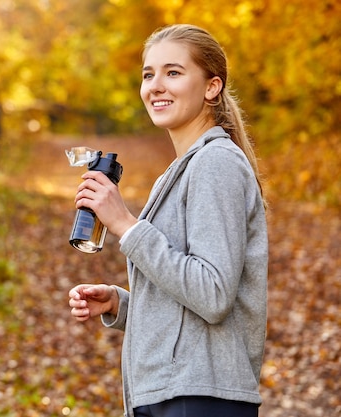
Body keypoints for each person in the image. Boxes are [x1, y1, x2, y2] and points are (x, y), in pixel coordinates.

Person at [68, 24, 268, 417]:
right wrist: (121, 304)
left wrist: (125, 224)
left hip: (198, 399)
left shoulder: (216, 164)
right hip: (175, 394)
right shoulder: (182, 170)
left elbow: (212, 295)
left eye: (173, 72)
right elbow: (187, 297)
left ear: (212, 87)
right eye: (148, 74)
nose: (155, 86)